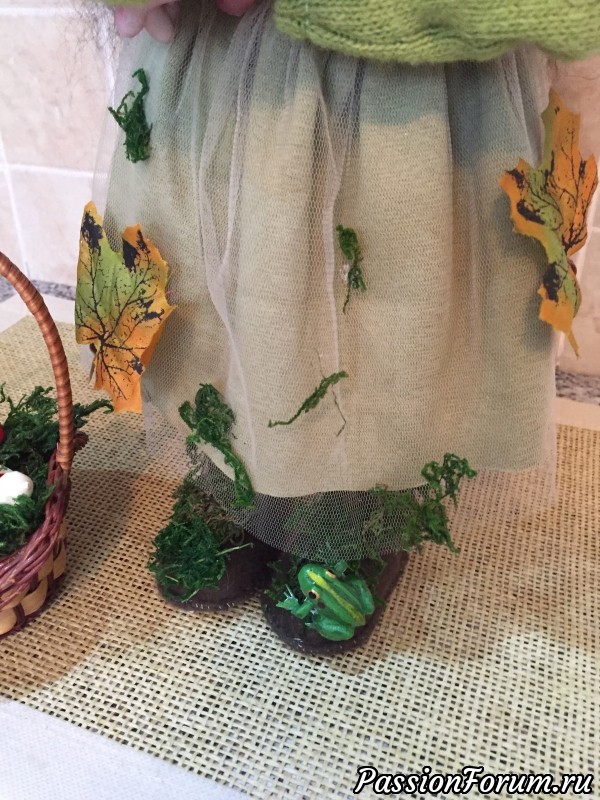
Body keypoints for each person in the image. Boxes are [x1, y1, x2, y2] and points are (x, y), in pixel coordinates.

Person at [94, 0, 600, 653]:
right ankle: (232, 472)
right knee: (217, 267)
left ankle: (361, 508)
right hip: (224, 51)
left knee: (393, 300)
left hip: (411, 64)